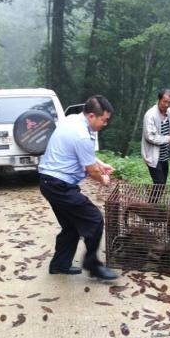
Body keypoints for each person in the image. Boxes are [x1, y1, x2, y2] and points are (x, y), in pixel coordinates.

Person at [38, 95, 119, 280]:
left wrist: (101, 163)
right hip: (59, 186)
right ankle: (92, 265)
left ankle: (59, 265)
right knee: (95, 219)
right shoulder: (82, 135)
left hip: (48, 182)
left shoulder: (72, 119)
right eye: (103, 120)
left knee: (71, 225)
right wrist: (104, 179)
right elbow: (91, 171)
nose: (104, 124)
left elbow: (84, 155)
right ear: (91, 116)